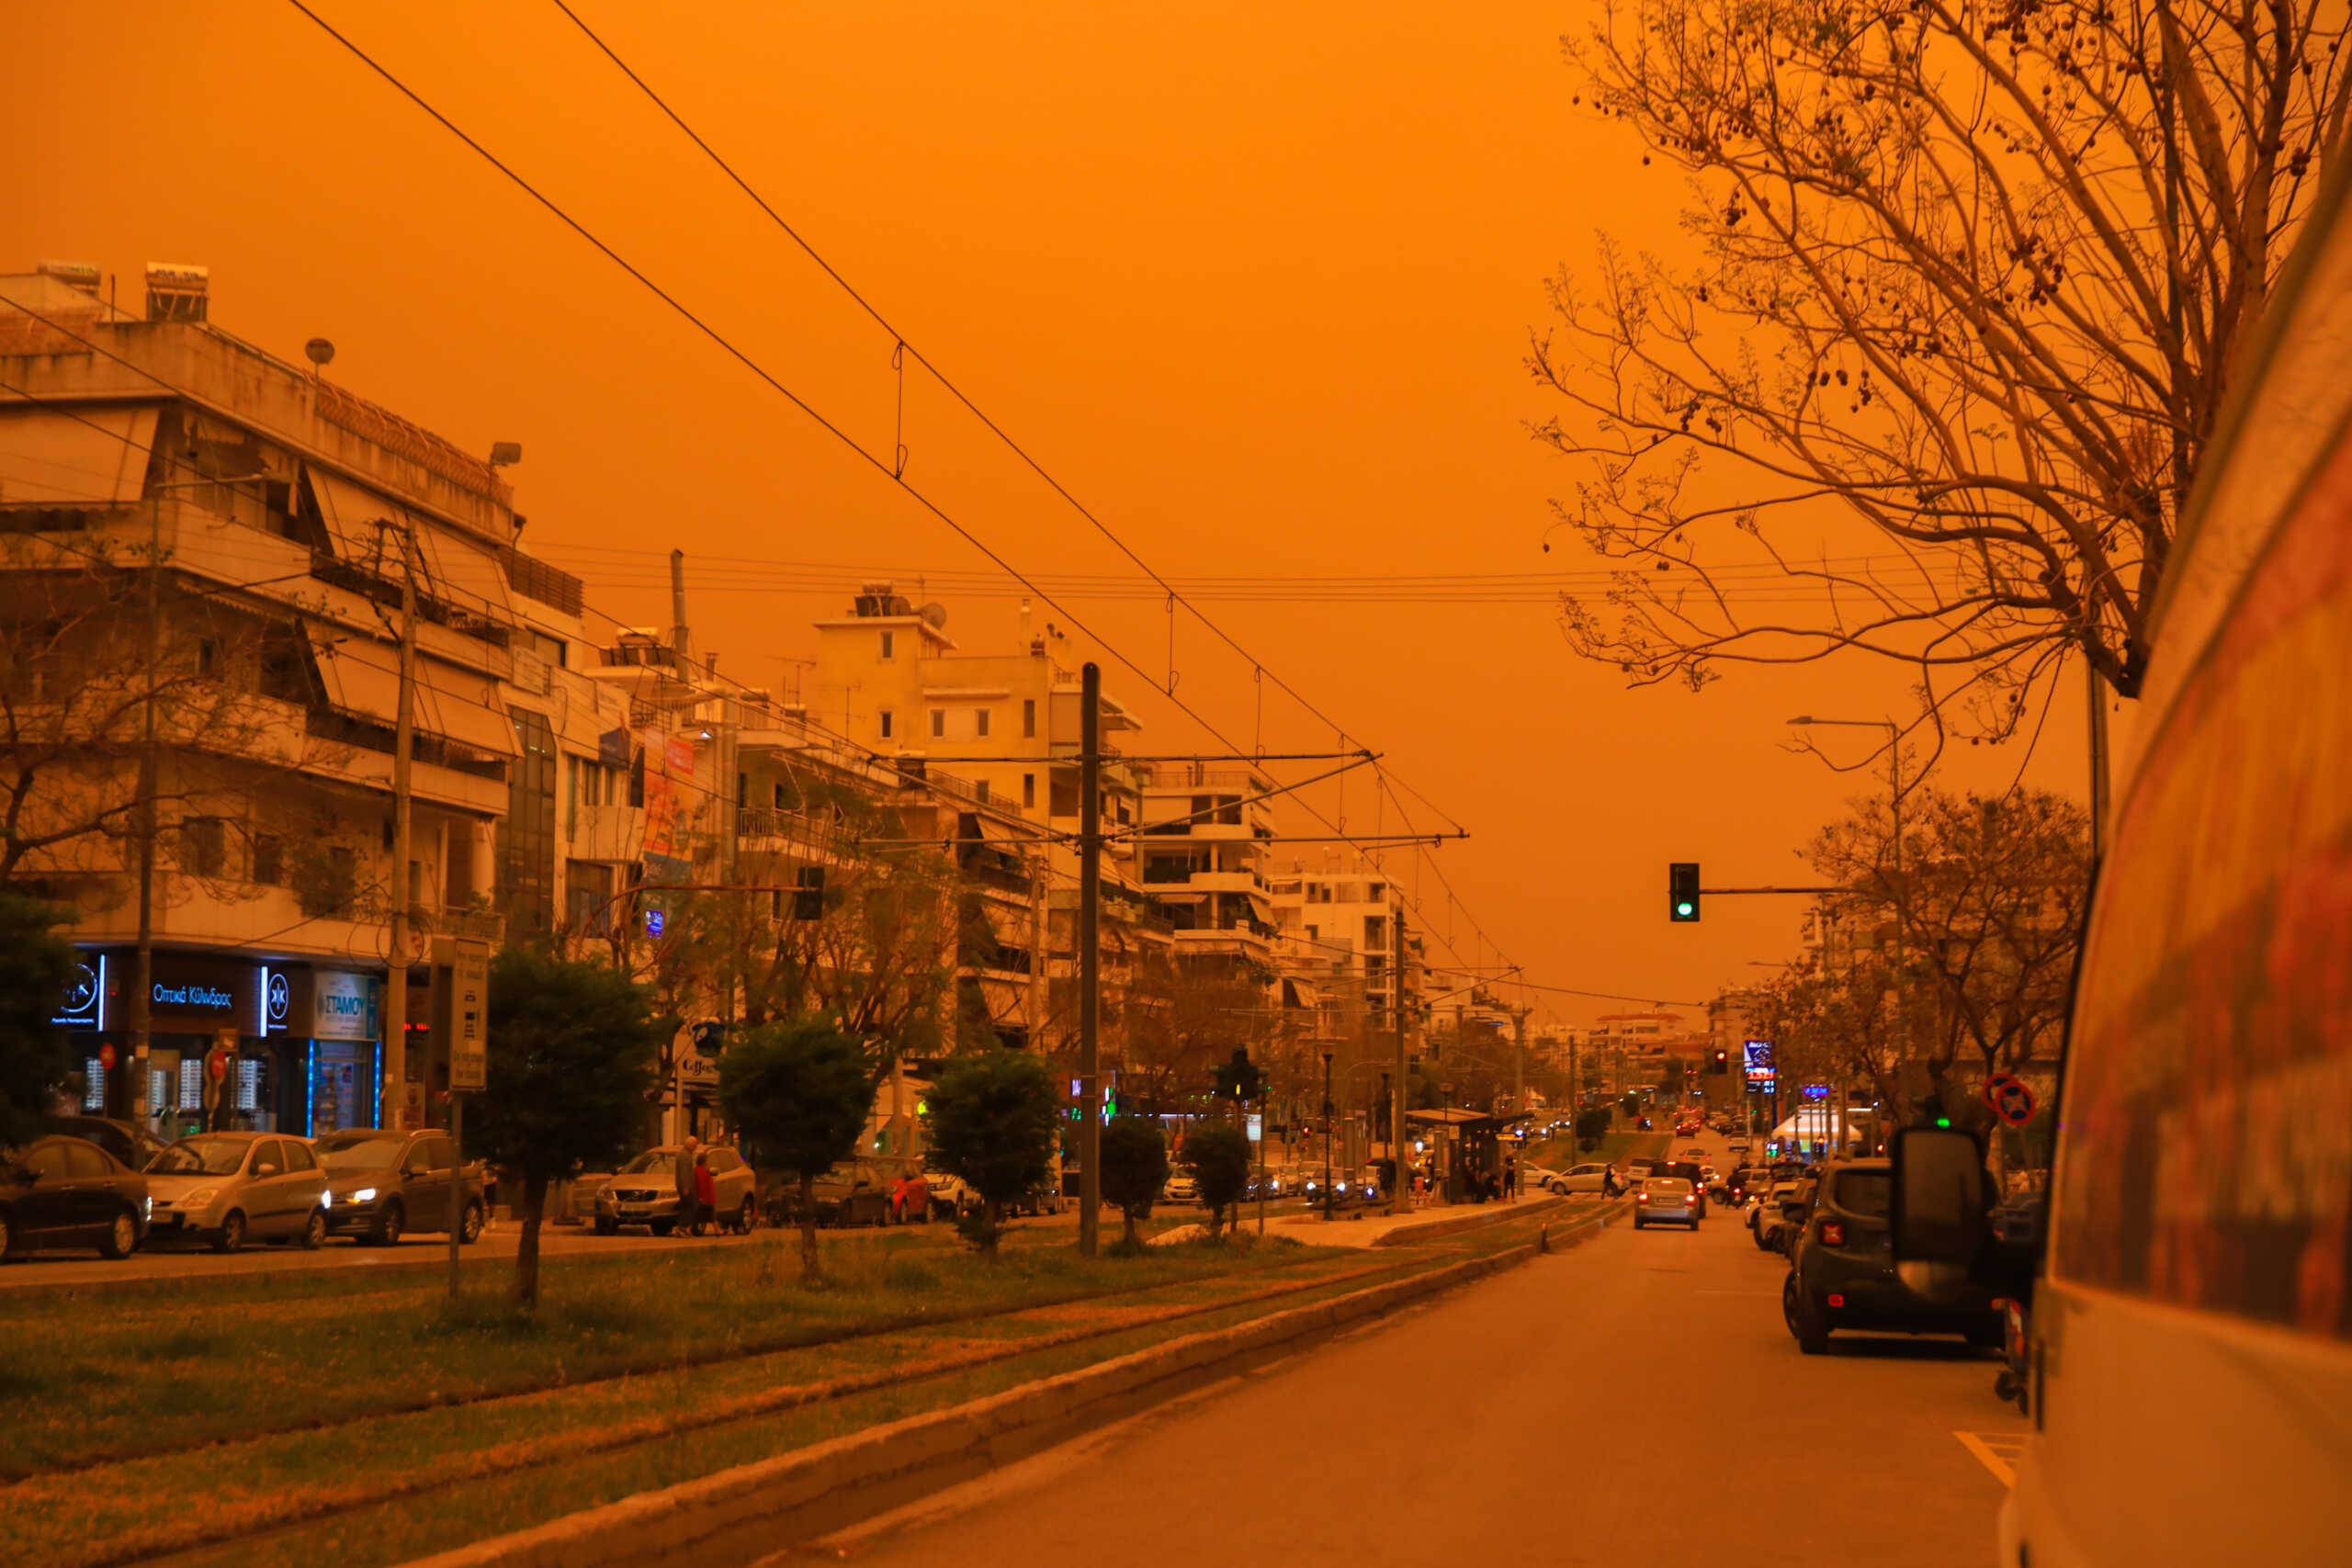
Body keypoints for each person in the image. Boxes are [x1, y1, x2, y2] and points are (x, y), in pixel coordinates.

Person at [673, 1134, 700, 1228]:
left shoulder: (684, 1154)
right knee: (690, 1207)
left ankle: (683, 1227)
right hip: (686, 1187)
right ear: (689, 1145)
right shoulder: (685, 1155)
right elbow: (684, 1172)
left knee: (685, 1207)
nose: (696, 1147)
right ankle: (682, 1227)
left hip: (684, 1186)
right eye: (695, 1144)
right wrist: (685, 1187)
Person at [692, 1150, 718, 1235]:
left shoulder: (700, 1170)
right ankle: (717, 1230)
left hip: (705, 1198)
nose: (708, 1161)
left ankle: (717, 1229)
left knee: (698, 1214)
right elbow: (701, 1185)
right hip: (705, 1198)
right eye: (707, 1159)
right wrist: (701, 1197)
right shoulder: (700, 1171)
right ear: (703, 1161)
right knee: (709, 1213)